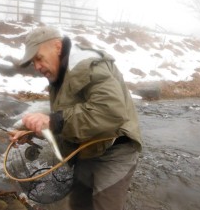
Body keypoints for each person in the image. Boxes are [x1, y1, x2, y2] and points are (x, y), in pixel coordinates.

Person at [8, 26, 142, 210]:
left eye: (38, 58)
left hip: (116, 150)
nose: (37, 67)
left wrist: (53, 121)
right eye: (33, 62)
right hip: (86, 150)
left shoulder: (88, 64)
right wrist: (34, 131)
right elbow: (67, 123)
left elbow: (111, 111)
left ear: (57, 47)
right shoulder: (58, 77)